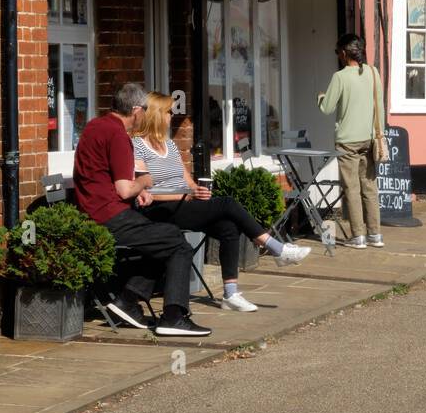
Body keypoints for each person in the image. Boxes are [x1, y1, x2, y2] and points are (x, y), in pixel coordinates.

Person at [132, 92, 311, 311]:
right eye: (169, 112)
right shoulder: (137, 146)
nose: (172, 116)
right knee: (227, 203)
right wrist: (184, 194)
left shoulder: (169, 145)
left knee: (228, 226)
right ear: (157, 115)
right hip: (160, 208)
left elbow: (186, 179)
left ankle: (230, 294)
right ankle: (274, 247)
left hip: (183, 204)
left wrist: (196, 190)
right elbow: (144, 189)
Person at [72, 82, 210, 337]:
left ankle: (127, 301)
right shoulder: (119, 136)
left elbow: (106, 177)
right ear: (136, 111)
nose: (146, 115)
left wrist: (140, 190)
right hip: (109, 217)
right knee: (178, 243)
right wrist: (146, 181)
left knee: (163, 236)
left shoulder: (94, 126)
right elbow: (125, 190)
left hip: (92, 211)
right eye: (145, 110)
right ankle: (174, 317)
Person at [318, 33, 385, 250]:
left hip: (347, 141)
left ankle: (358, 236)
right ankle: (375, 234)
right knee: (370, 188)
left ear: (345, 53)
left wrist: (320, 97)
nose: (338, 56)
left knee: (352, 189)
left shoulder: (340, 77)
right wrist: (379, 135)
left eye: (338, 53)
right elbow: (380, 108)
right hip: (369, 138)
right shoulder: (373, 73)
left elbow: (326, 108)